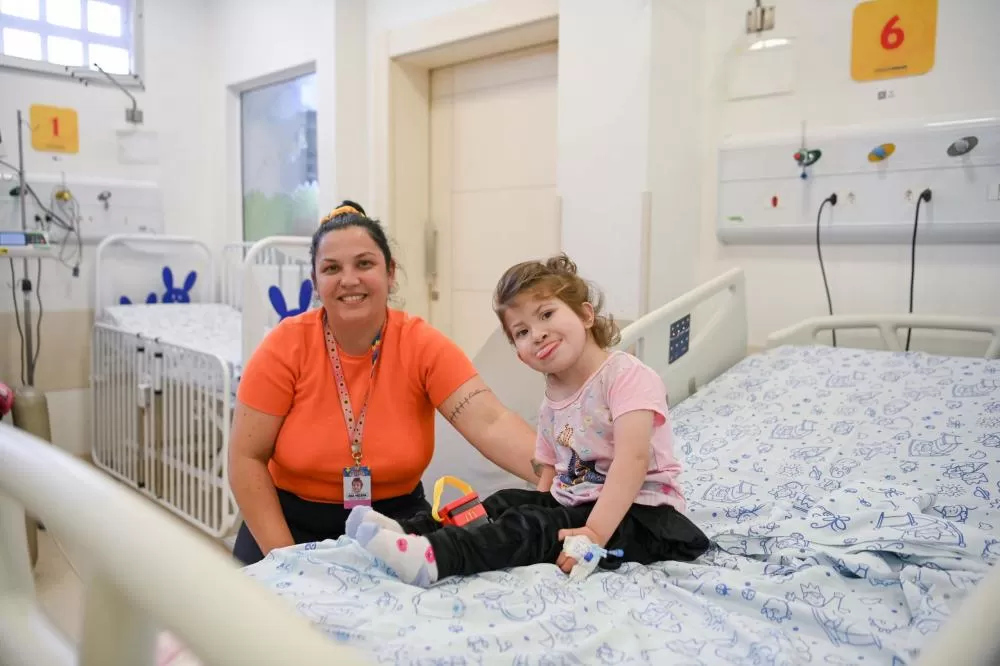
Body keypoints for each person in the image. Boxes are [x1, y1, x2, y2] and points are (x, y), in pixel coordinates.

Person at [346, 254, 710, 585]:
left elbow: (633, 459)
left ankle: (436, 558)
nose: (537, 333)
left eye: (546, 314)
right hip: (578, 503)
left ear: (586, 315)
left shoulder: (626, 376)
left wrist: (594, 533)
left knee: (536, 526)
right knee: (504, 501)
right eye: (521, 332)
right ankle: (412, 531)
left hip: (643, 516)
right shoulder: (552, 400)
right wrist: (533, 506)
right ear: (521, 355)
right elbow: (550, 472)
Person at [229, 201, 540, 566]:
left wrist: (565, 473)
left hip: (397, 525)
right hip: (289, 524)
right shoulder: (284, 347)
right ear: (315, 282)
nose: (349, 280)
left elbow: (491, 422)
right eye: (332, 268)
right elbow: (245, 459)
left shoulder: (421, 345)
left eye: (364, 264)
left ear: (390, 273)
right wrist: (287, 561)